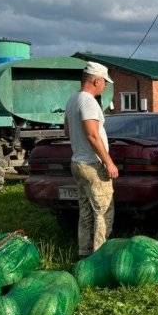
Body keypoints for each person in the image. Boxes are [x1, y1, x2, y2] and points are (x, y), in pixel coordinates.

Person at [64, 62, 119, 257]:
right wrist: (108, 162)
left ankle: (84, 253)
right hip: (92, 165)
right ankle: (99, 258)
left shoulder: (72, 100)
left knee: (86, 211)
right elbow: (92, 135)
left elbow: (67, 130)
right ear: (95, 80)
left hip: (78, 162)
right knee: (104, 212)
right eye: (104, 82)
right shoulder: (88, 102)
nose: (105, 86)